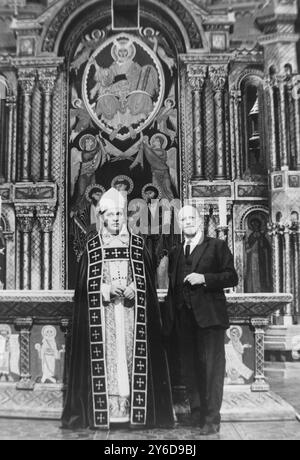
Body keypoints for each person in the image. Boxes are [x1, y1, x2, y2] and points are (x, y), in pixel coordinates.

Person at [62, 187, 174, 430]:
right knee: (110, 362)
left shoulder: (137, 245)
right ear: (101, 217)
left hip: (132, 315)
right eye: (110, 215)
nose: (115, 219)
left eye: (119, 215)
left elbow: (147, 281)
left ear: (125, 216)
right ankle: (108, 413)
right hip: (103, 316)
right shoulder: (92, 248)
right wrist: (105, 290)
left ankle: (134, 411)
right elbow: (83, 287)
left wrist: (136, 288)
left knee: (130, 360)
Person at [165, 205, 238, 436]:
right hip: (183, 319)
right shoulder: (176, 252)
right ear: (179, 223)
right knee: (189, 369)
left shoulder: (217, 246)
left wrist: (204, 278)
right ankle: (196, 415)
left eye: (191, 217)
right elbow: (172, 287)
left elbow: (231, 277)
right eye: (183, 218)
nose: (187, 221)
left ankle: (211, 419)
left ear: (199, 221)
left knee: (211, 370)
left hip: (209, 320)